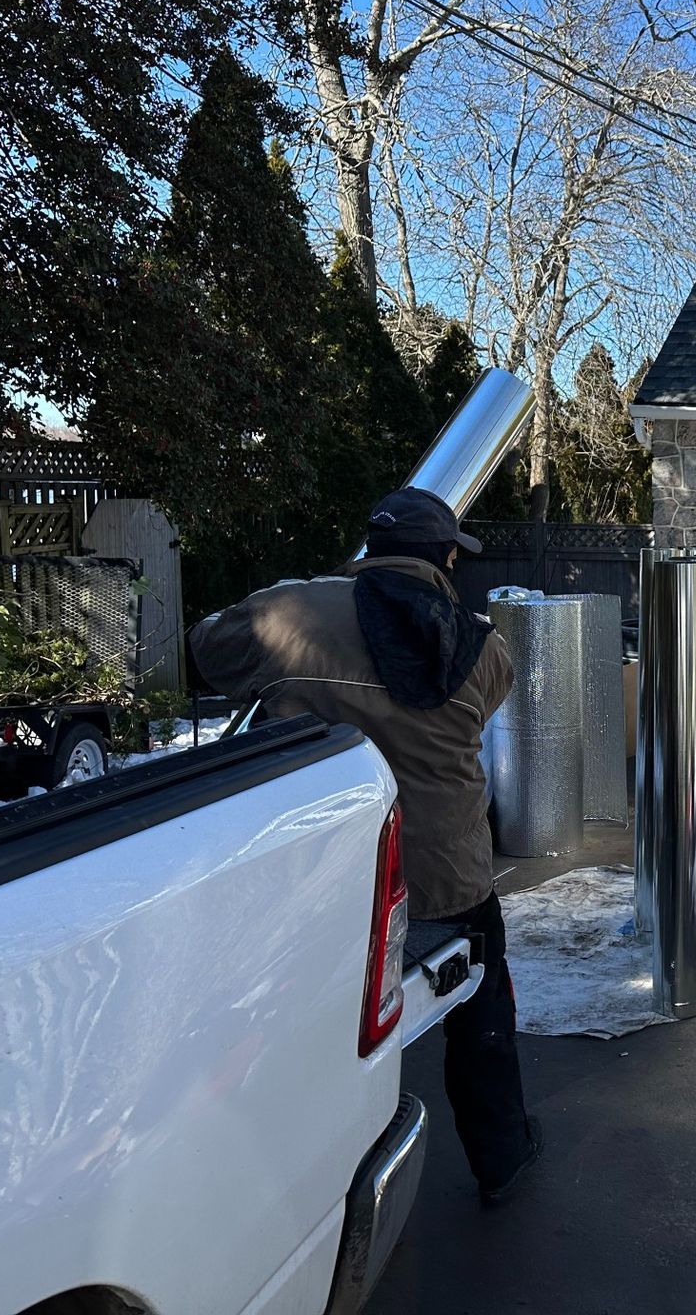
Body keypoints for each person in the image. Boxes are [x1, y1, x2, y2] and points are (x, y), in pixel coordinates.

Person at [187, 486, 541, 1204]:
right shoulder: (482, 646)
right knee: (480, 1014)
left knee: (304, 1020)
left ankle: (297, 1194)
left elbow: (201, 654)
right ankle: (501, 1159)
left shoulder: (286, 612)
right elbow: (481, 707)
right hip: (446, 877)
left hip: (319, 882)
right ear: (445, 557)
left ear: (370, 550)